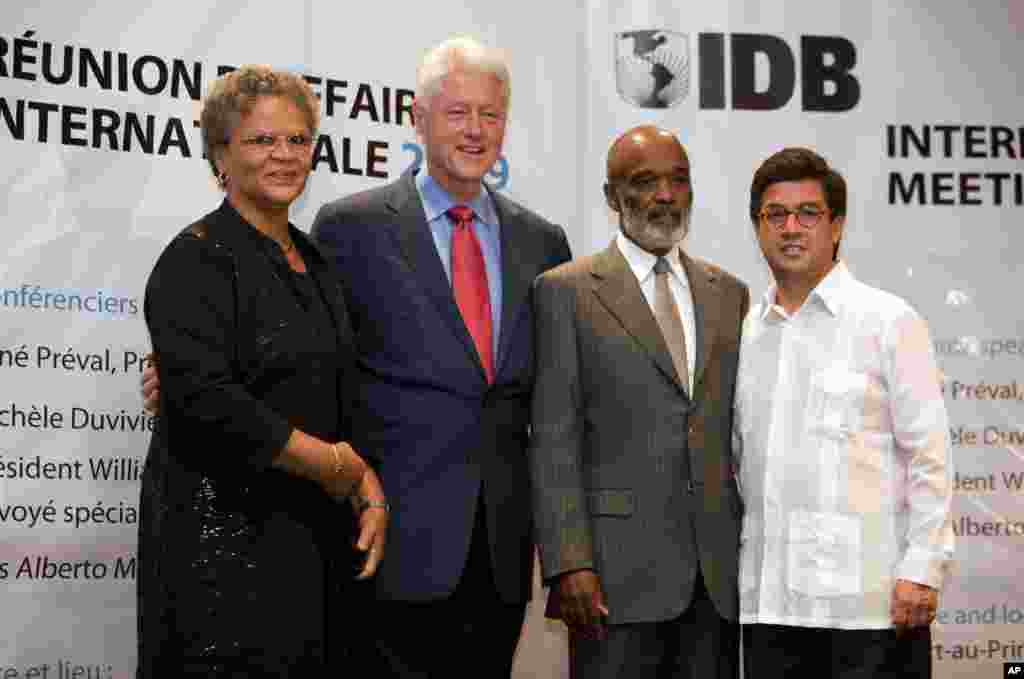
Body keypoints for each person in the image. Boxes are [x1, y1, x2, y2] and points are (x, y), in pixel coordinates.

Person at [309, 36, 572, 677]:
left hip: (500, 554)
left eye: (491, 114)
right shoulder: (350, 229)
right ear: (416, 118)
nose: (476, 130)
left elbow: (561, 393)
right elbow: (310, 362)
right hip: (386, 541)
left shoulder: (543, 241)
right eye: (458, 113)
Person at [137, 65, 386, 677]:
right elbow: (210, 406)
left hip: (312, 552)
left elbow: (337, 393)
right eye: (261, 140)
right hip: (221, 557)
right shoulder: (194, 259)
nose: (284, 155)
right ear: (220, 154)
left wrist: (365, 485)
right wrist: (338, 466)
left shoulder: (317, 261)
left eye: (297, 140)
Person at [529, 125, 748, 679]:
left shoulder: (730, 293)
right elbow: (554, 439)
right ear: (611, 197)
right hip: (612, 580)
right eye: (644, 181)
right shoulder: (565, 291)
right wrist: (569, 563)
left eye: (678, 180)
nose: (665, 195)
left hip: (716, 583)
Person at [733, 147, 954, 678]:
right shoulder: (744, 333)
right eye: (775, 215)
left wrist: (923, 570)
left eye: (808, 213)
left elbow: (930, 455)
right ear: (758, 228)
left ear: (836, 226)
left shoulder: (888, 320)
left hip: (871, 611)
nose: (791, 227)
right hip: (769, 611)